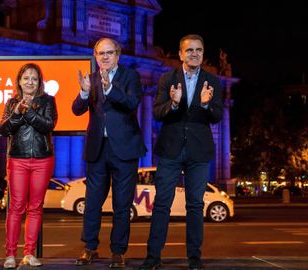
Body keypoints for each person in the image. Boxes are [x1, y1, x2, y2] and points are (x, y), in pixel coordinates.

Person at [139, 34, 223, 270]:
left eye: (198, 50)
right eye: (189, 50)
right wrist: (173, 104)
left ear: (203, 54)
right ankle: (153, 257)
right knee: (162, 204)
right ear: (180, 54)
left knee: (195, 205)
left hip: (199, 150)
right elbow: (156, 112)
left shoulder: (213, 81)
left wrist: (206, 105)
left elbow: (217, 116)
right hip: (170, 149)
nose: (194, 54)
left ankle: (194, 258)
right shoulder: (167, 78)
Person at [72, 37, 147, 268]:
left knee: (122, 204)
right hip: (98, 149)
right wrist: (85, 93)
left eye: (109, 53)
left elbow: (132, 103)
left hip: (124, 149)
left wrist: (109, 88)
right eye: (100, 53)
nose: (104, 57)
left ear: (118, 55)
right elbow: (76, 110)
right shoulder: (91, 79)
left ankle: (118, 251)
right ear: (95, 56)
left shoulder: (130, 76)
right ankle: (90, 248)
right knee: (93, 202)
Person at [0, 63, 58, 269]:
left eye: (34, 78)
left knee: (35, 207)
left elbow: (48, 125)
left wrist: (29, 112)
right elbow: (3, 129)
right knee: (15, 207)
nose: (30, 82)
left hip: (43, 159)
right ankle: (10, 255)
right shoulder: (11, 102)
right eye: (26, 78)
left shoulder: (48, 101)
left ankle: (29, 253)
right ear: (20, 81)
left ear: (40, 82)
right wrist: (16, 112)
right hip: (17, 159)